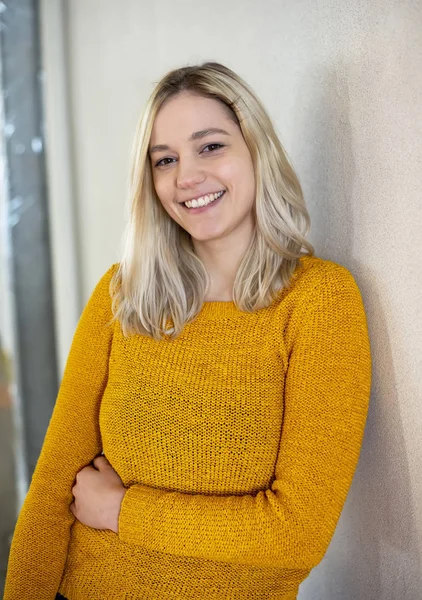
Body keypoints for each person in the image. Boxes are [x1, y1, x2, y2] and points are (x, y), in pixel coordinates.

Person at [4, 62, 372, 600]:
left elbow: (296, 534)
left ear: (255, 148)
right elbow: (52, 488)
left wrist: (122, 509)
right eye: (166, 160)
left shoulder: (318, 302)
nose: (186, 177)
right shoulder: (123, 294)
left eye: (210, 147)